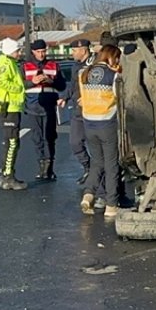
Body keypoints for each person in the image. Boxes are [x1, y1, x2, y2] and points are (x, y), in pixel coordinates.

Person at [79, 44, 123, 218]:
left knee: (97, 162)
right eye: (117, 58)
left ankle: (88, 194)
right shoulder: (114, 76)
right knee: (111, 165)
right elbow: (119, 97)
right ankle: (111, 205)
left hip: (89, 124)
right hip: (107, 123)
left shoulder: (84, 73)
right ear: (111, 57)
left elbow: (82, 98)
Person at [22, 39, 66, 181]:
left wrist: (52, 81)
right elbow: (19, 85)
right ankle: (41, 167)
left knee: (50, 138)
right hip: (32, 106)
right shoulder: (25, 66)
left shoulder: (54, 65)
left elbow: (62, 85)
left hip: (49, 106)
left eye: (43, 51)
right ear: (33, 52)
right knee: (37, 138)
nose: (41, 54)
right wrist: (32, 82)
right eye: (38, 52)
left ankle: (49, 168)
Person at [60, 38, 95, 208]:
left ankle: (97, 176)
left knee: (95, 145)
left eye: (74, 50)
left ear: (83, 49)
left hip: (93, 110)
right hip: (77, 110)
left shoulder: (96, 63)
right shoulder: (75, 66)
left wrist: (88, 97)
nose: (73, 53)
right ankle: (87, 167)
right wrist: (65, 98)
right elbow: (73, 85)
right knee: (75, 142)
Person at [0, 37, 28, 191]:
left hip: (13, 107)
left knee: (11, 143)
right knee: (12, 143)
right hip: (8, 108)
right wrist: (17, 89)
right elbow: (1, 81)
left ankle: (6, 173)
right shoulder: (5, 64)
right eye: (17, 50)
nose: (19, 53)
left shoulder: (11, 63)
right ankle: (8, 176)